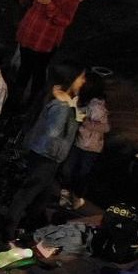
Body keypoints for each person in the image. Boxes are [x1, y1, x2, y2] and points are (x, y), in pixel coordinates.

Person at [3, 61, 87, 244]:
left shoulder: (56, 100)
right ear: (70, 79)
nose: (83, 81)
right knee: (28, 193)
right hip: (46, 156)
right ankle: (8, 233)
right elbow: (54, 132)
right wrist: (71, 115)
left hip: (46, 156)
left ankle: (29, 228)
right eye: (81, 78)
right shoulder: (61, 106)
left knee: (43, 195)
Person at [12, 0, 81, 112]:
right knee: (24, 68)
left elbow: (64, 20)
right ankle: (14, 101)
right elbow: (26, 1)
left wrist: (49, 4)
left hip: (45, 41)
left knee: (38, 72)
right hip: (28, 34)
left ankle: (32, 106)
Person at [58, 79, 108, 210]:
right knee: (68, 169)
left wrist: (85, 122)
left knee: (82, 173)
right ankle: (66, 195)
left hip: (91, 147)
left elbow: (105, 127)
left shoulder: (98, 106)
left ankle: (76, 198)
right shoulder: (82, 101)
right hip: (78, 142)